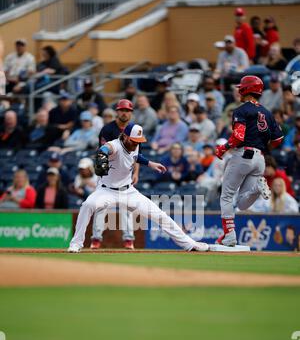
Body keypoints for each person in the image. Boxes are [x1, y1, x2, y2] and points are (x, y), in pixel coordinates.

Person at [68, 123, 209, 253]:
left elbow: (136, 156)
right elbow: (106, 148)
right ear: (124, 136)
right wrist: (102, 153)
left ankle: (189, 244)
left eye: (138, 141)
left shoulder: (133, 145)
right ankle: (76, 243)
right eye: (134, 141)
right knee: (87, 205)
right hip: (106, 191)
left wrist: (150, 163)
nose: (136, 144)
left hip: (129, 192)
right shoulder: (115, 145)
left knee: (160, 215)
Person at [214, 75, 284, 247]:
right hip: (260, 158)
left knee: (227, 196)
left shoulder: (241, 110)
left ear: (245, 90)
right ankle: (256, 188)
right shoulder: (267, 112)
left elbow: (238, 136)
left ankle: (229, 235)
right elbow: (278, 139)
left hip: (243, 155)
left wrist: (223, 148)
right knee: (243, 202)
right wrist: (263, 146)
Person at [92, 99, 138, 250]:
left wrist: (136, 172)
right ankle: (96, 239)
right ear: (117, 111)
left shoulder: (134, 130)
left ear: (131, 113)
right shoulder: (107, 129)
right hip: (108, 174)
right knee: (100, 206)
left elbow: (137, 155)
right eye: (122, 110)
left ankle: (129, 240)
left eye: (128, 110)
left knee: (127, 207)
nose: (124, 112)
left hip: (125, 175)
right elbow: (102, 153)